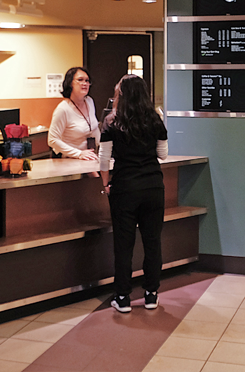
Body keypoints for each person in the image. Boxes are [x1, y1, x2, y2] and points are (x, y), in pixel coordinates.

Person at [99, 74, 168, 313]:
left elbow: (104, 159)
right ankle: (151, 294)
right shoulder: (155, 119)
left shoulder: (111, 122)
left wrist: (106, 185)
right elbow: (163, 154)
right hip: (152, 187)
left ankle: (123, 297)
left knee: (124, 244)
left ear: (122, 95)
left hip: (125, 187)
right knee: (152, 242)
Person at [47, 67, 100, 160]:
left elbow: (94, 129)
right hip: (69, 159)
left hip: (88, 157)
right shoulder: (63, 109)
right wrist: (78, 153)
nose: (85, 83)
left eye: (87, 81)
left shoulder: (89, 101)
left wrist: (103, 148)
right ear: (70, 83)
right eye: (80, 80)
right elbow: (52, 140)